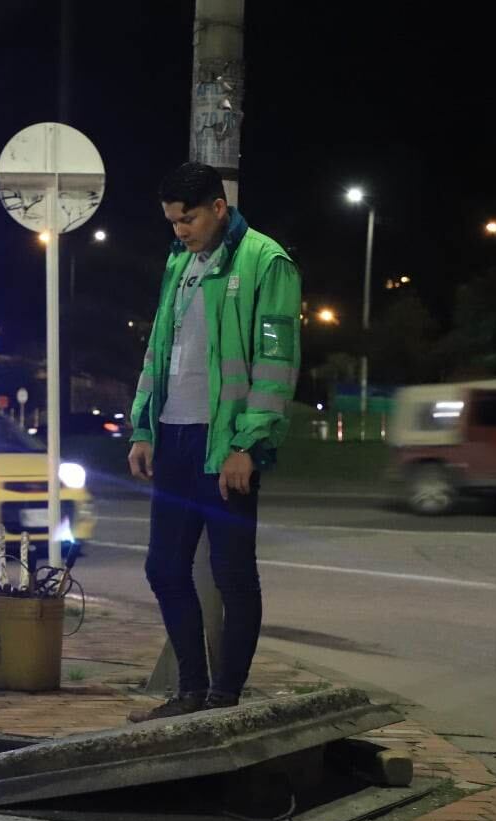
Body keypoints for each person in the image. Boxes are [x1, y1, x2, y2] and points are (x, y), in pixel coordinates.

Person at [125, 162, 301, 722]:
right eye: (173, 221)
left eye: (189, 218)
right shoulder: (179, 264)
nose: (179, 230)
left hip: (226, 445)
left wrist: (248, 444)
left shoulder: (266, 261)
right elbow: (158, 348)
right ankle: (190, 692)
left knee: (232, 574)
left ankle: (225, 697)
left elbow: (277, 363)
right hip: (173, 438)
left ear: (219, 208)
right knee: (164, 569)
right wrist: (143, 426)